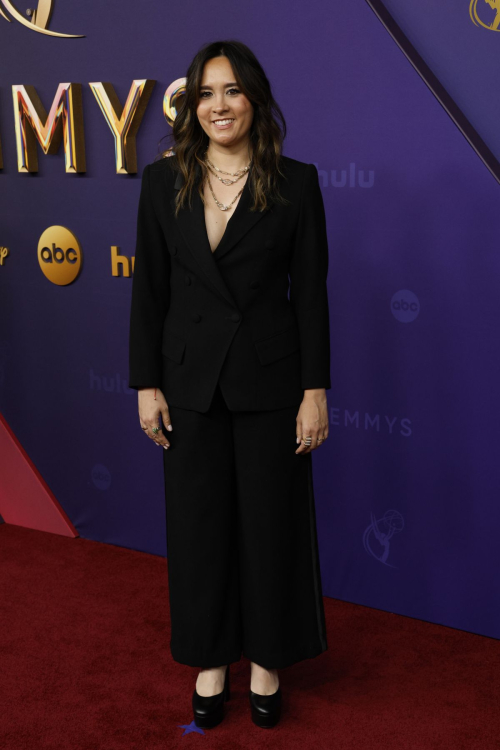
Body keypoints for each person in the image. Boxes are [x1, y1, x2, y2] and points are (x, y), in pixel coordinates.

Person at [128, 39, 331, 730]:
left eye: (233, 91)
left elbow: (311, 297)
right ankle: (212, 658)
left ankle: (269, 658)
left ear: (255, 100)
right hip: (188, 384)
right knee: (199, 532)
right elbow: (149, 294)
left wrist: (315, 390)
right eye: (207, 92)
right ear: (193, 105)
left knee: (270, 529)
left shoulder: (295, 182)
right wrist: (145, 383)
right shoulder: (163, 183)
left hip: (272, 384)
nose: (220, 105)